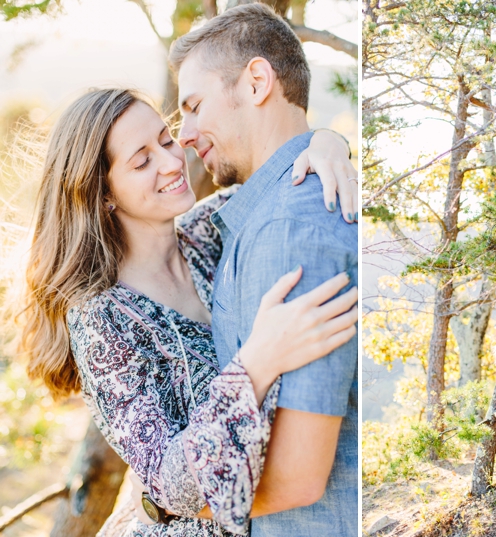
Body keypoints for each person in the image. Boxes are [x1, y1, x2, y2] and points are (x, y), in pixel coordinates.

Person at [19, 88, 358, 537]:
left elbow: (275, 179)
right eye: (141, 161)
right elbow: (169, 485)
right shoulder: (102, 320)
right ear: (102, 195)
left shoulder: (206, 233)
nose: (172, 161)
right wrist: (257, 363)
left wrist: (329, 143)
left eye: (165, 138)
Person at [167, 4, 358, 536]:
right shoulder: (258, 216)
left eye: (195, 105)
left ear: (256, 82)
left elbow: (297, 478)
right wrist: (329, 137)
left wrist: (164, 507)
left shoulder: (290, 233)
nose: (185, 133)